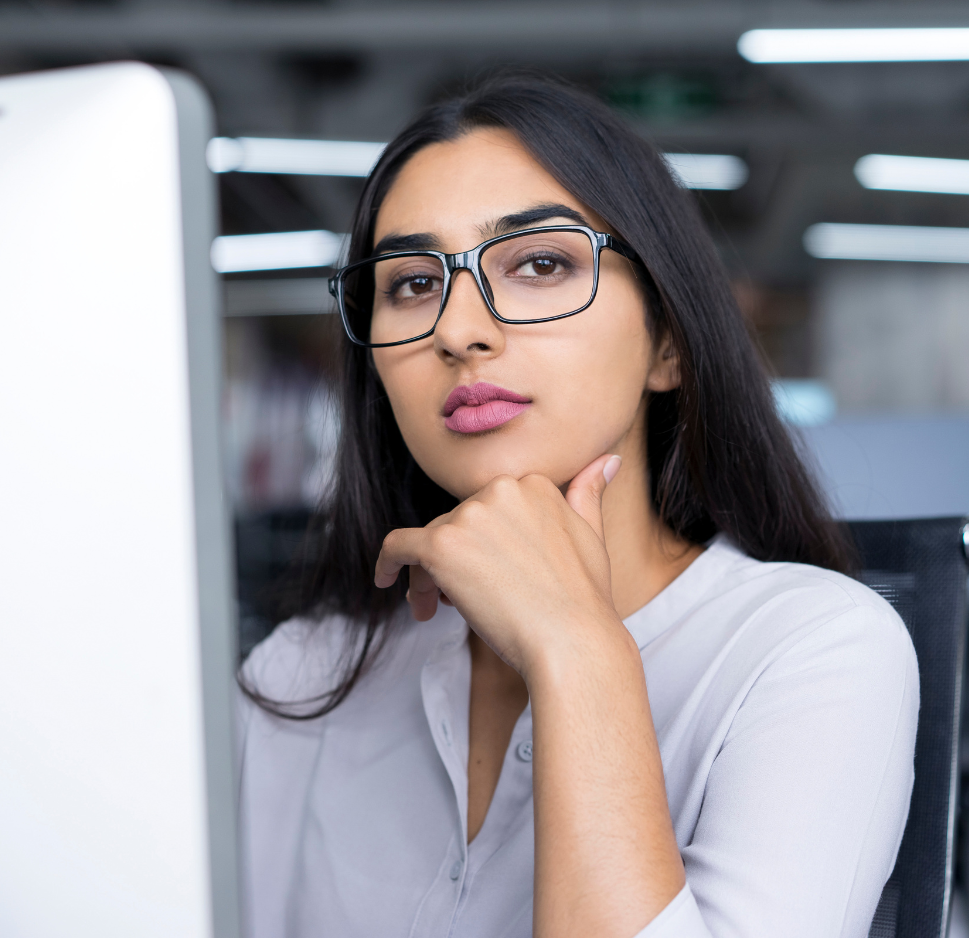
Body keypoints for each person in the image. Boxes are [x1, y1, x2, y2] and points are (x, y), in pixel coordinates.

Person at [236, 73, 918, 938]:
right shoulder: (301, 673)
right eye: (410, 283)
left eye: (540, 263)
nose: (458, 329)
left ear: (666, 343)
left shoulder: (811, 648)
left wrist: (575, 649)